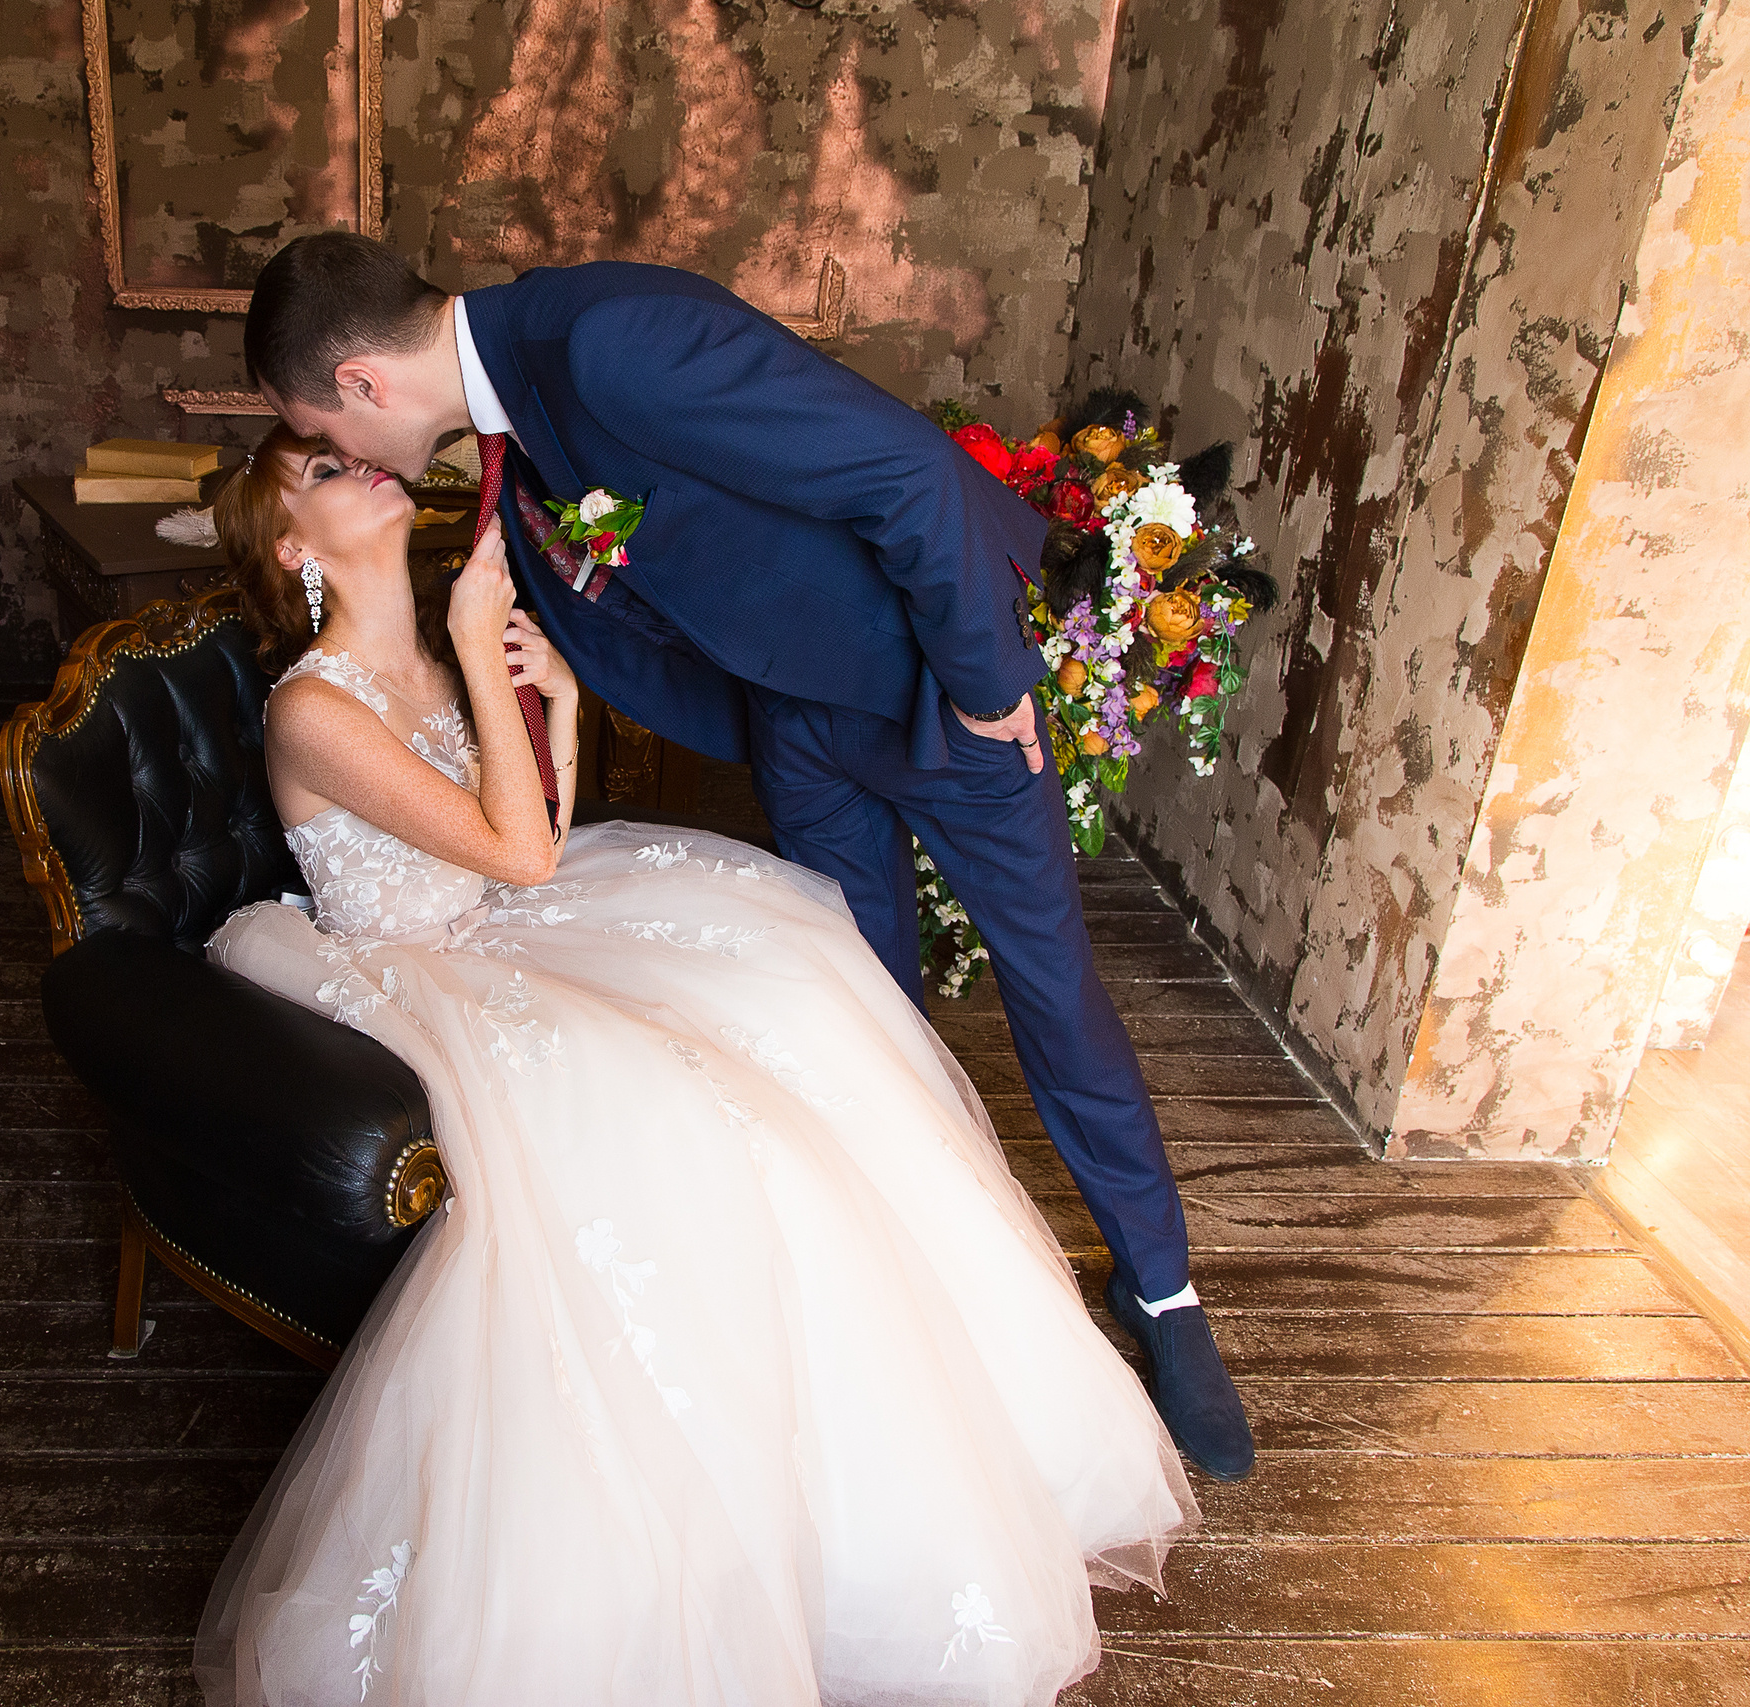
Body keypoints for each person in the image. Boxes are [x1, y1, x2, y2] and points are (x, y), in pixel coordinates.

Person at [191, 423, 1196, 1706]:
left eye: (348, 453)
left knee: (796, 979)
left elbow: (538, 827)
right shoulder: (317, 705)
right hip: (421, 975)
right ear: (294, 548)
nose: (361, 467)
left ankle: (899, 1480)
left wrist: (547, 691)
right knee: (690, 1105)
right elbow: (518, 854)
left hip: (511, 923)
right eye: (322, 474)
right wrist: (500, 670)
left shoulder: (431, 664)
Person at [241, 234, 1255, 1484]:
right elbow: (640, 642)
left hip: (947, 697)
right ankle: (917, 1281)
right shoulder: (506, 486)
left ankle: (1162, 1297)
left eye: (321, 434)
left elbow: (904, 472)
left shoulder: (606, 336)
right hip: (806, 735)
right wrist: (775, 736)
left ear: (358, 382)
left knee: (1049, 989)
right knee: (857, 1005)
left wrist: (990, 684)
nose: (350, 462)